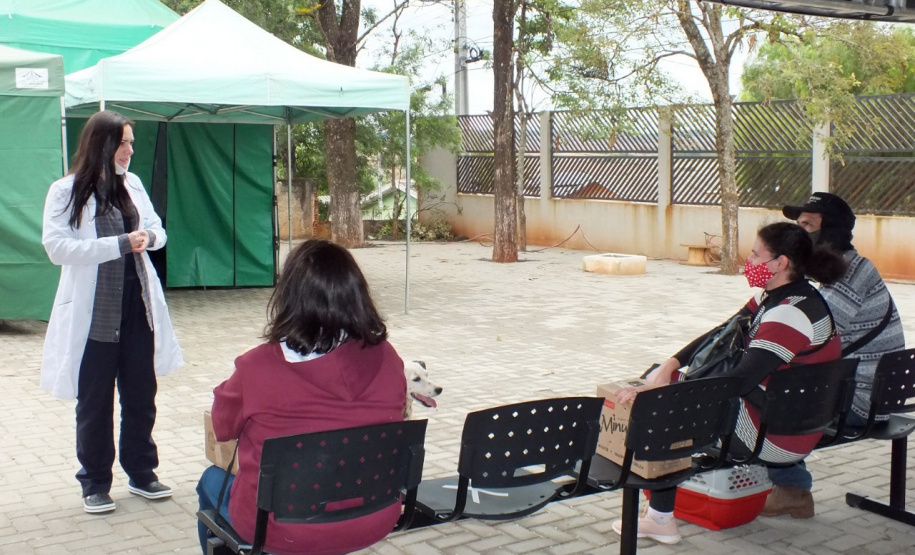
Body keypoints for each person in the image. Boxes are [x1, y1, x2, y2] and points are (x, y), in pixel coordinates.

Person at [612, 222, 846, 545]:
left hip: (777, 436)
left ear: (780, 264)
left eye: (755, 254)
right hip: (791, 420)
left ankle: (660, 518)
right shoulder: (784, 298)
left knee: (662, 405)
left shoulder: (789, 315)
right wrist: (672, 364)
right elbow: (721, 332)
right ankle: (660, 507)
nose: (747, 261)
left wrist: (662, 389)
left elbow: (737, 380)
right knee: (664, 379)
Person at [196, 238, 407, 555]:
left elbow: (222, 427)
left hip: (281, 528)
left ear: (290, 299)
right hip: (373, 516)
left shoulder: (257, 367)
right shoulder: (389, 358)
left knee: (210, 481)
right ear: (356, 295)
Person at [41, 110, 183, 514]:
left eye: (132, 143)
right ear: (102, 144)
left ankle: (142, 472)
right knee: (94, 400)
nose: (130, 150)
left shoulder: (132, 184)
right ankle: (95, 482)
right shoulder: (66, 191)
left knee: (141, 394)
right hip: (94, 313)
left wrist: (149, 237)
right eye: (123, 143)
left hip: (137, 307)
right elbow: (57, 247)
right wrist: (119, 244)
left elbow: (158, 229)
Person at [765, 192, 907, 518]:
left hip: (864, 403)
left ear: (830, 232)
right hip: (874, 393)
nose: (798, 235)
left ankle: (791, 487)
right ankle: (782, 481)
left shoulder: (848, 274)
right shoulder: (845, 269)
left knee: (770, 390)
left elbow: (811, 339)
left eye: (806, 226)